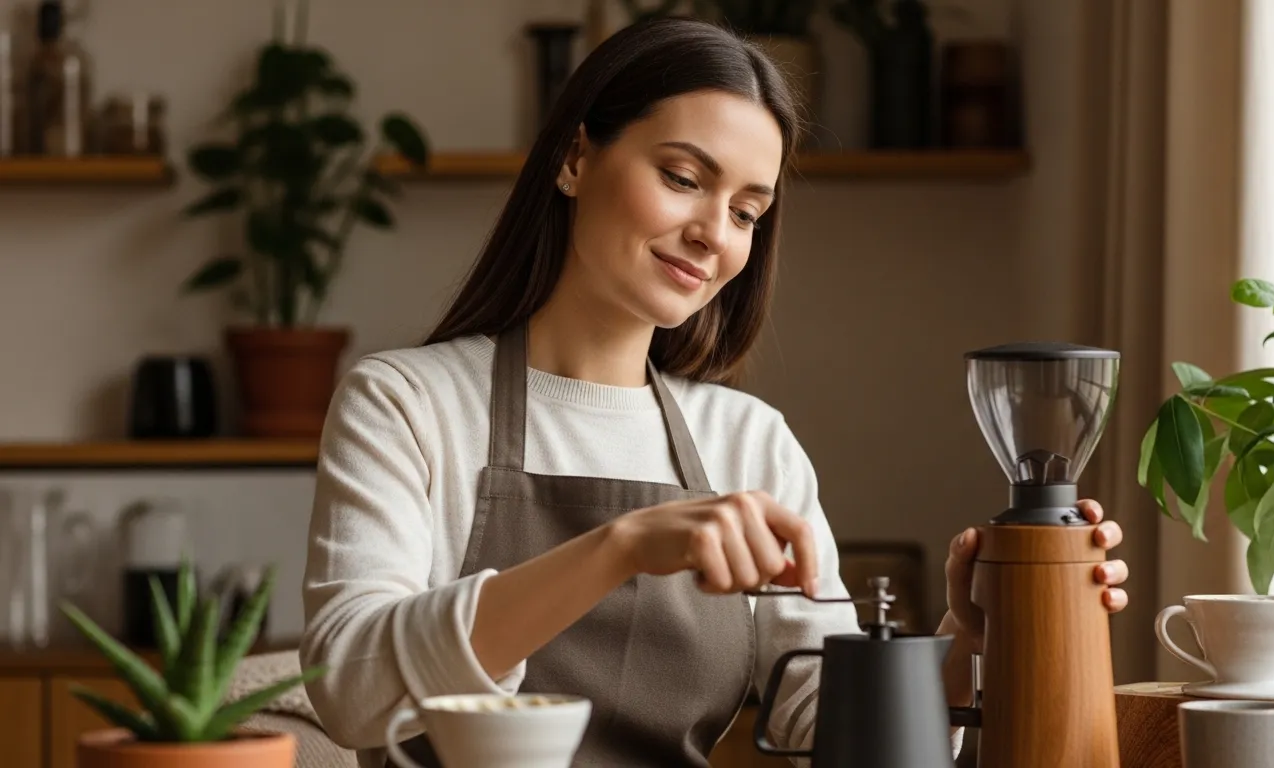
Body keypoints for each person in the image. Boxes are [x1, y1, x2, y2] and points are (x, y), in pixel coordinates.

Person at [298, 16, 1129, 768]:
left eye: (747, 211)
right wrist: (618, 548)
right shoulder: (407, 402)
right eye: (684, 177)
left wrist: (967, 639)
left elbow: (823, 721)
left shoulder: (749, 441)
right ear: (575, 158)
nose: (714, 234)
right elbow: (349, 687)